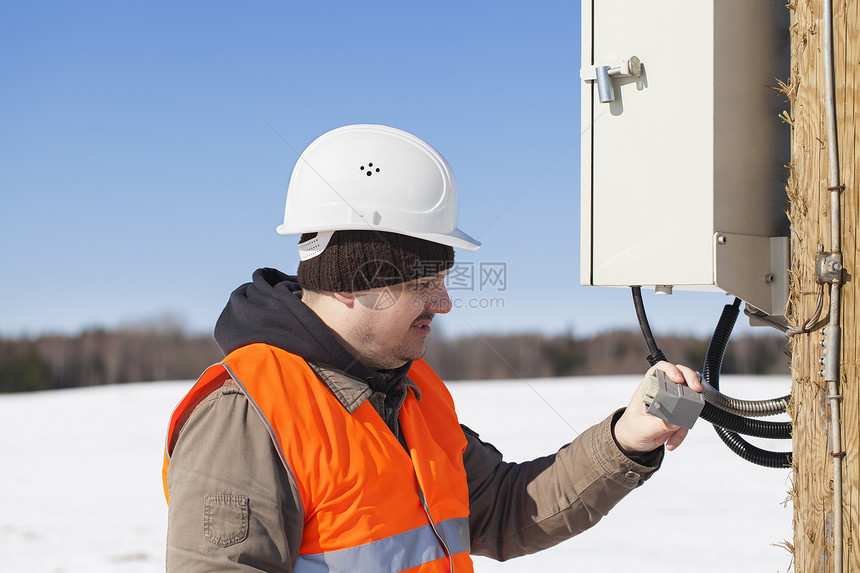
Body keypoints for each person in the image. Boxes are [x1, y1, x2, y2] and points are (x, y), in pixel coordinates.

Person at [162, 124, 701, 572]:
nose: (443, 303)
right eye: (422, 284)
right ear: (352, 281)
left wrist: (627, 441)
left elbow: (506, 510)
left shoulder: (411, 391)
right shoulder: (244, 415)